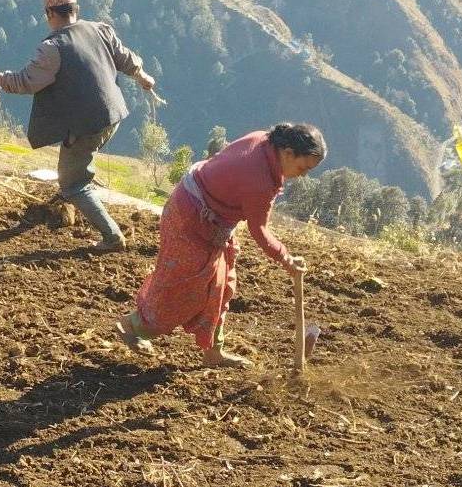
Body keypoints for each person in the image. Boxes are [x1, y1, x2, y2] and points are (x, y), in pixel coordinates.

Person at [0, 0, 156, 251]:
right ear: (75, 9)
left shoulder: (53, 47)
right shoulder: (100, 30)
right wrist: (143, 76)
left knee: (73, 183)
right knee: (75, 167)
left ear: (50, 14)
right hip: (113, 114)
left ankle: (112, 237)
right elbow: (125, 58)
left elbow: (24, 82)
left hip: (88, 123)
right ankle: (72, 192)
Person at [114, 124, 325, 368]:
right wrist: (285, 258)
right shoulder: (260, 181)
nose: (303, 175)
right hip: (188, 222)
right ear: (288, 153)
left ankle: (214, 353)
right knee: (181, 293)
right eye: (303, 168)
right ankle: (130, 325)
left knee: (221, 287)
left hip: (212, 222)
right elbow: (260, 231)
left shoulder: (265, 141)